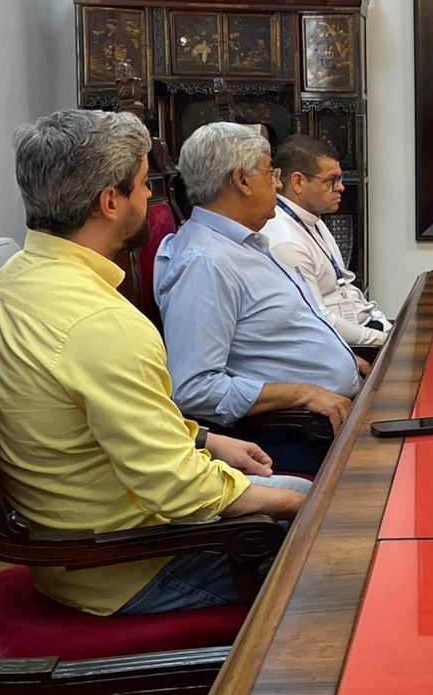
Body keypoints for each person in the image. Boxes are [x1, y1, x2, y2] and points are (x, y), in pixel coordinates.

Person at [0, 109, 309, 617]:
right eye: (144, 185)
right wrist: (298, 506)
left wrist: (206, 439)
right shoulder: (101, 322)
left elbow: (95, 422)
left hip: (67, 547)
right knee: (334, 534)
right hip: (127, 565)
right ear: (109, 202)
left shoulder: (14, 278)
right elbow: (179, 490)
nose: (150, 198)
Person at [155, 122, 361, 451]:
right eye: (270, 173)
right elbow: (194, 388)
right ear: (241, 180)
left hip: (335, 413)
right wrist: (303, 393)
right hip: (292, 436)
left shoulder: (244, 243)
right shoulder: (205, 262)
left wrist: (346, 359)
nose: (278, 184)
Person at [262, 134, 390, 349]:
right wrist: (382, 339)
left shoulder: (313, 219)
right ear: (298, 182)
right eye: (332, 180)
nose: (341, 187)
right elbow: (316, 317)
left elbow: (345, 284)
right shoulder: (286, 241)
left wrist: (384, 325)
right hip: (338, 345)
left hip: (357, 330)